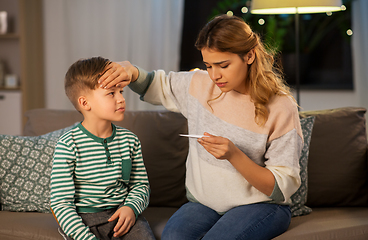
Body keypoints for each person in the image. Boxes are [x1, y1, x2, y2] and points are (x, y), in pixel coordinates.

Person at [99, 15, 303, 240]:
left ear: (249, 55)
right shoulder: (200, 84)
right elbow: (157, 85)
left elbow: (282, 186)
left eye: (223, 65)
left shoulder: (281, 106)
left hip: (264, 206)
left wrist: (234, 155)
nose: (215, 75)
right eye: (208, 65)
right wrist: (132, 72)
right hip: (205, 204)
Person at [50, 57, 155, 240]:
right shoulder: (68, 144)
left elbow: (140, 186)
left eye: (121, 91)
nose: (121, 99)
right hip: (82, 221)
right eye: (111, 94)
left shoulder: (130, 141)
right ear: (85, 103)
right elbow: (61, 203)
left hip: (122, 216)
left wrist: (130, 207)